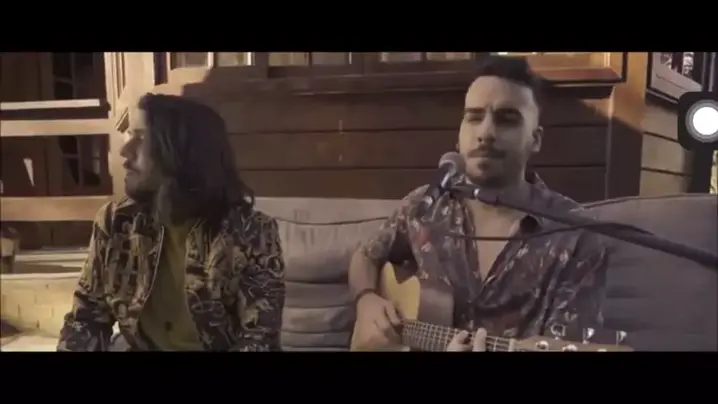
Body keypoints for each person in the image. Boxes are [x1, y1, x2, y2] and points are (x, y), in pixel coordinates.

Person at [349, 56, 608, 352]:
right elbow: (365, 257)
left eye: (506, 119)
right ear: (459, 135)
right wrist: (366, 299)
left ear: (535, 140)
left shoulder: (576, 235)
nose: (485, 133)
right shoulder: (425, 204)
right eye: (474, 117)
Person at [57, 93, 285, 351]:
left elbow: (260, 339)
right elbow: (86, 320)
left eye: (142, 138)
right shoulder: (116, 222)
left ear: (182, 151)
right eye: (128, 135)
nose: (124, 151)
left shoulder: (252, 232)